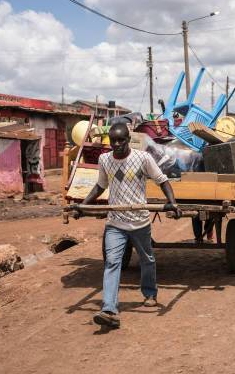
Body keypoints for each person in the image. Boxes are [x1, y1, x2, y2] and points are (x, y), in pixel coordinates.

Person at [83, 123, 182, 328]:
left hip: (139, 222)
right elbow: (100, 186)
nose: (117, 144)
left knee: (147, 259)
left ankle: (149, 293)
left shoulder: (142, 158)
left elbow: (162, 180)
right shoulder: (105, 160)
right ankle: (109, 308)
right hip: (115, 223)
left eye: (121, 140)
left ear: (128, 140)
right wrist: (82, 205)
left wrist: (172, 202)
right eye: (113, 141)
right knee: (112, 262)